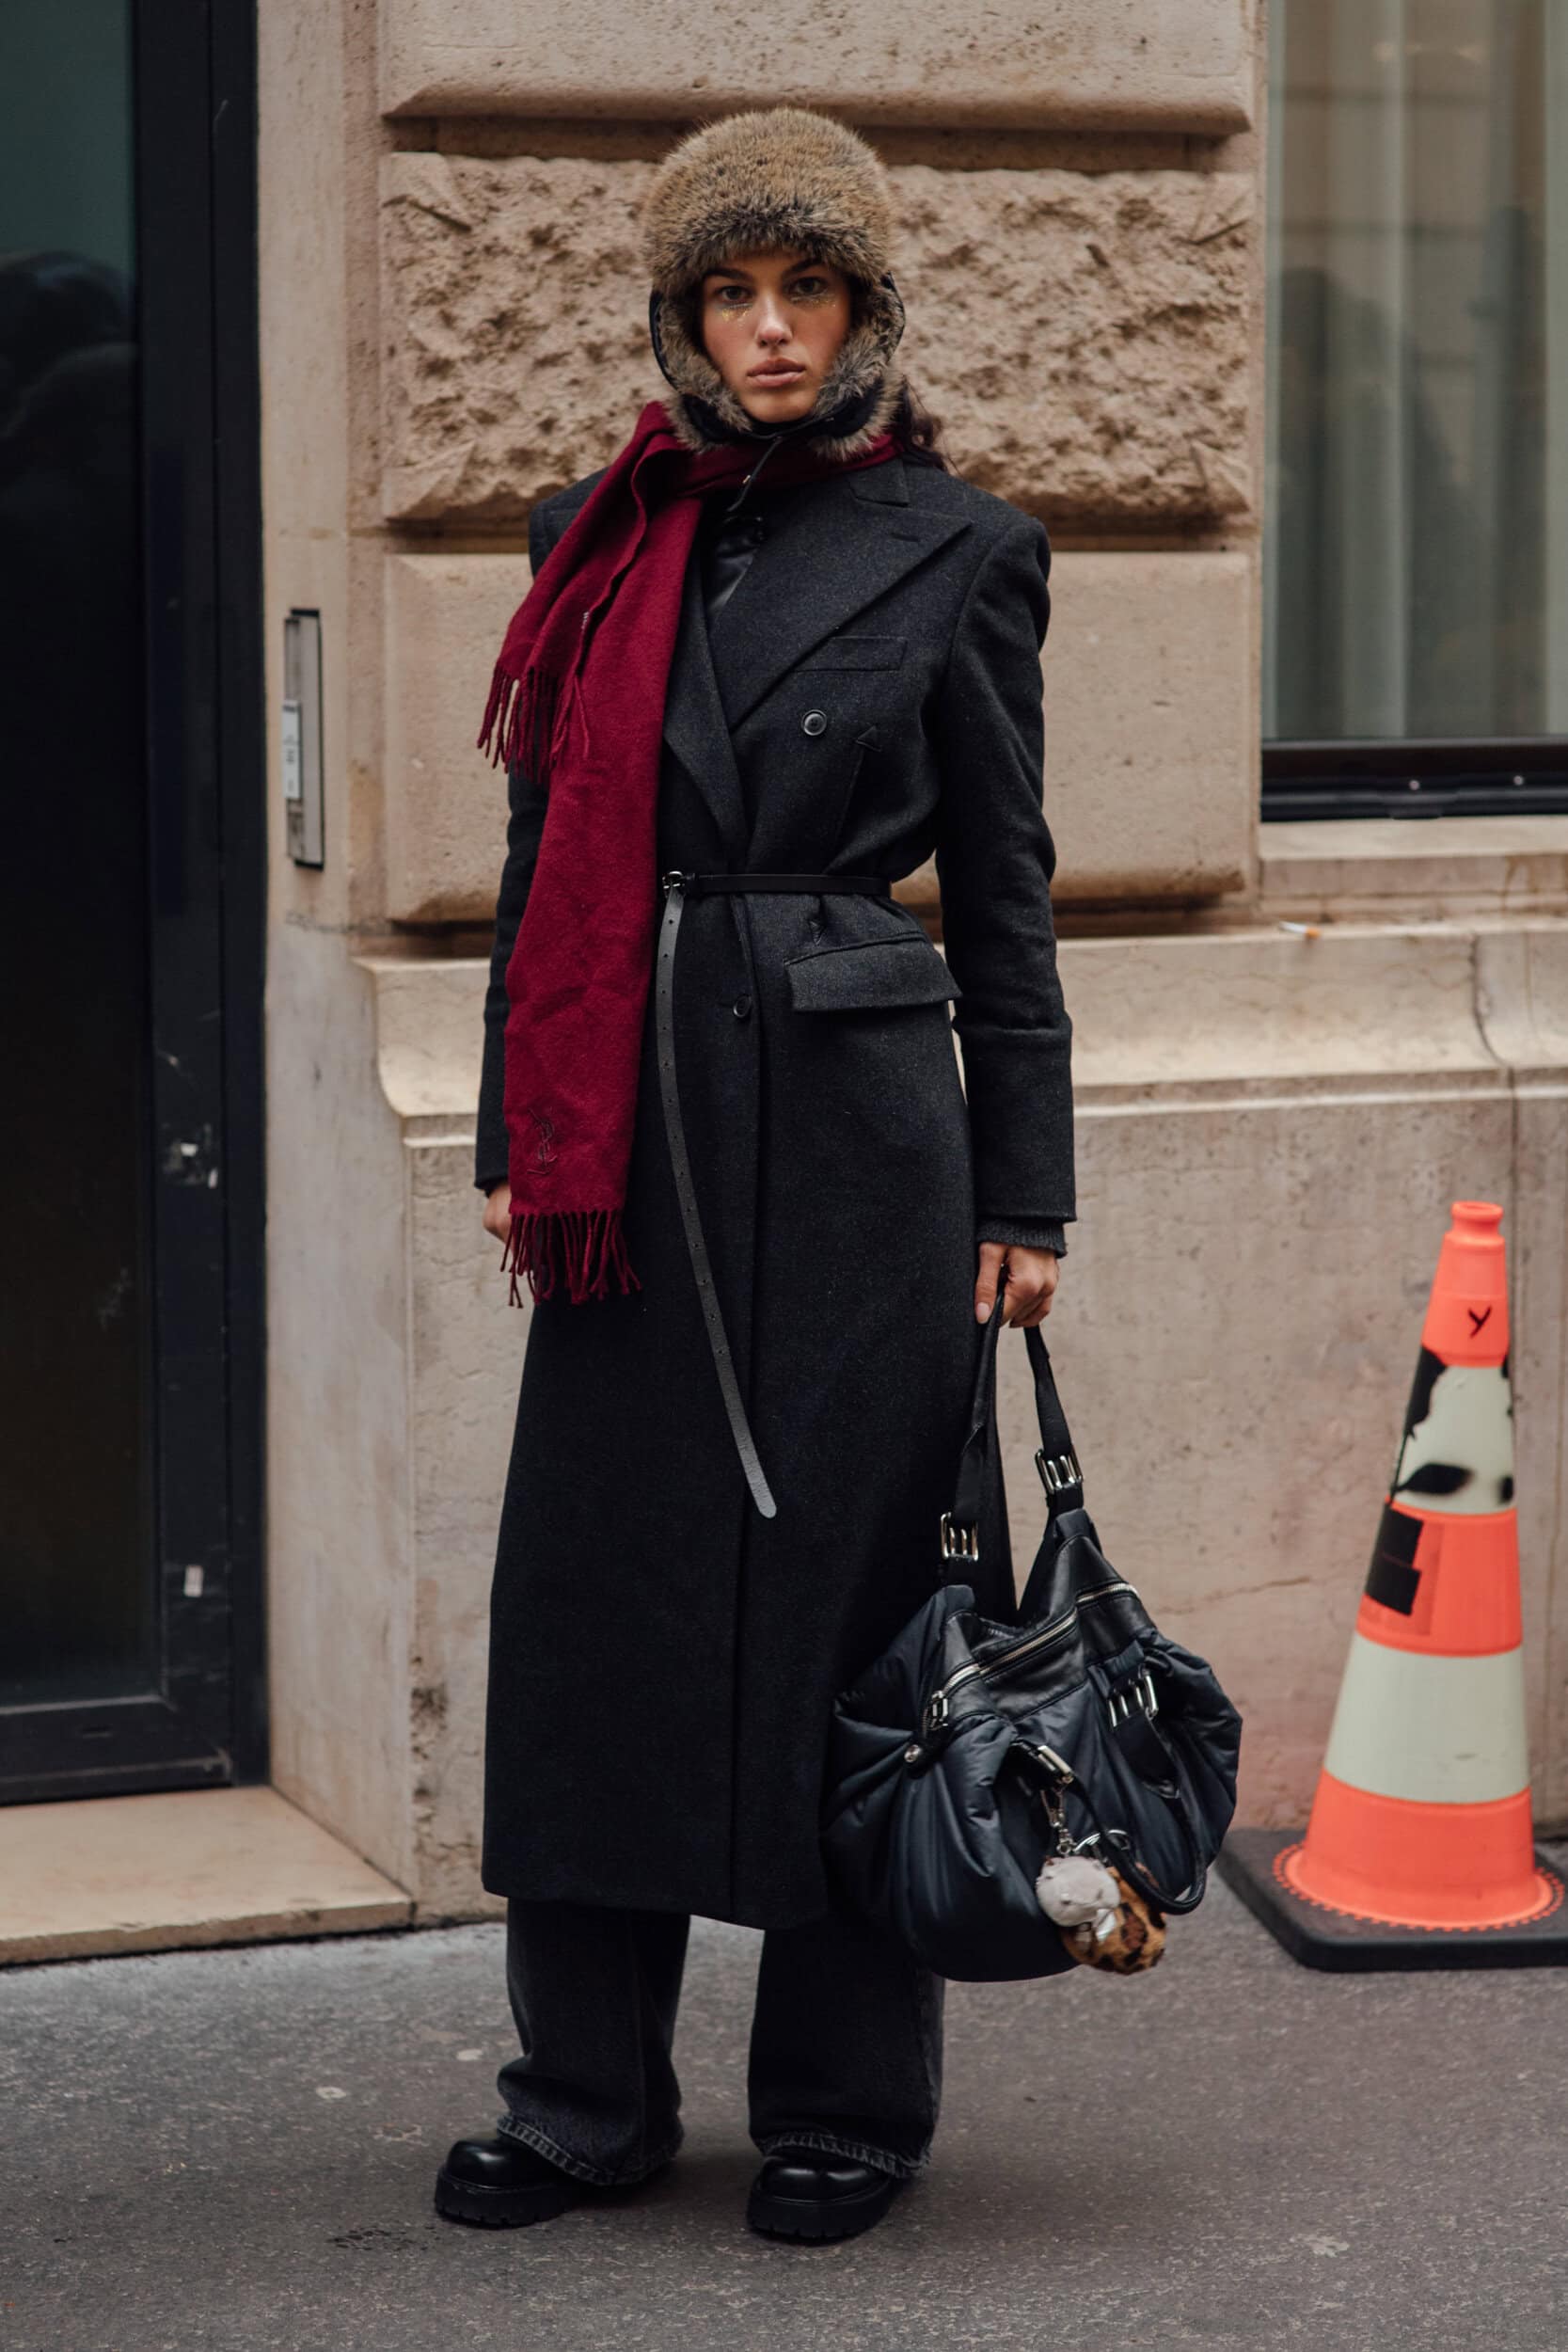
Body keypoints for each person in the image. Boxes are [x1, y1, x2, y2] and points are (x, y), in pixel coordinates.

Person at [436, 105, 1074, 2246]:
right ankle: (587, 2088)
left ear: (867, 307)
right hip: (629, 1149)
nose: (774, 328)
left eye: (808, 289)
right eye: (736, 291)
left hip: (867, 1160)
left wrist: (1030, 1192)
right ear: (684, 316)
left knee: (850, 1624)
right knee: (594, 1611)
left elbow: (1004, 902)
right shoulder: (590, 538)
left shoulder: (964, 549)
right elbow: (544, 870)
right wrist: (529, 1134)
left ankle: (841, 2105)